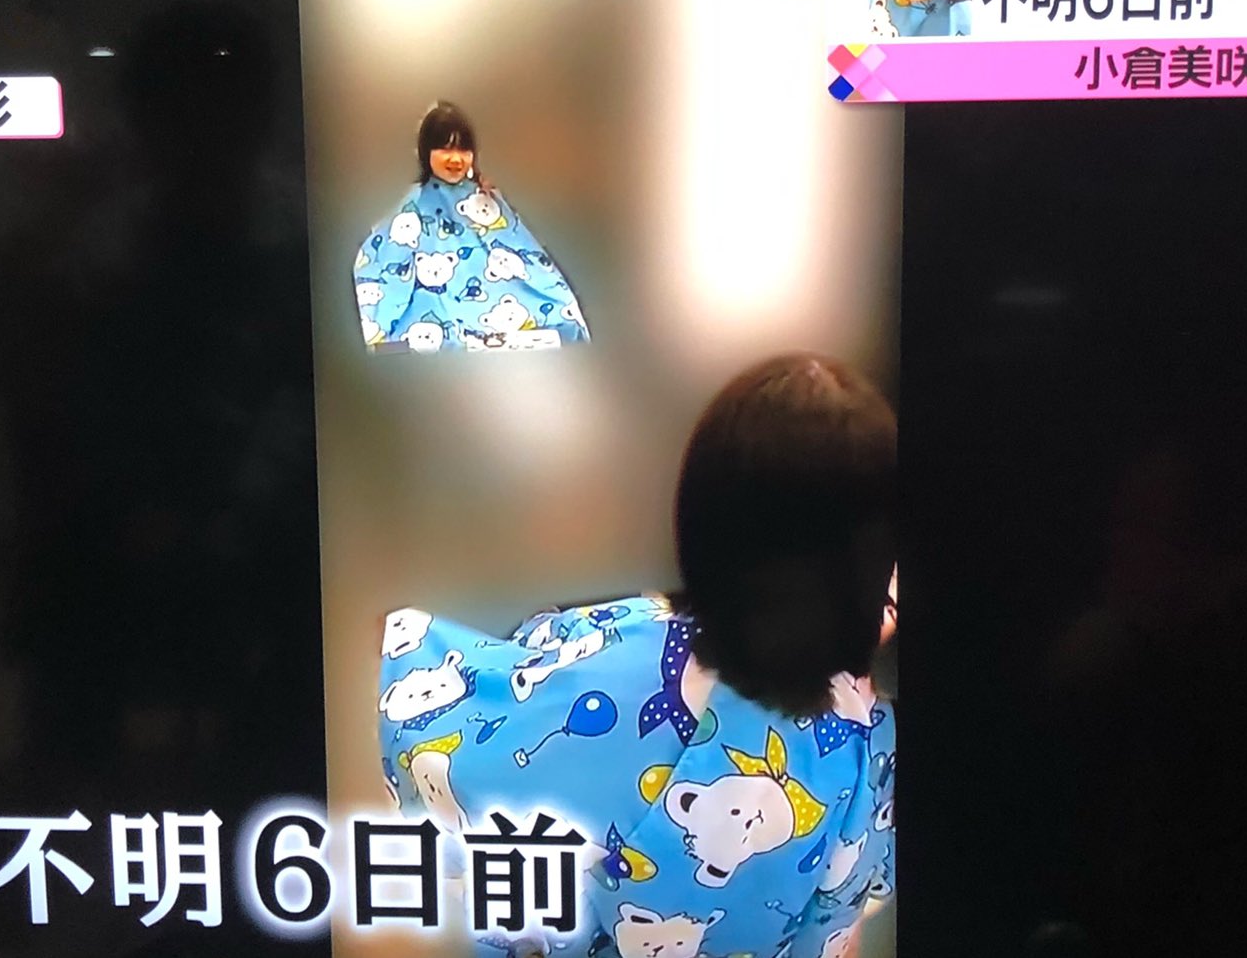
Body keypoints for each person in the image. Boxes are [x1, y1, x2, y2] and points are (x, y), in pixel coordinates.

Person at [376, 354, 898, 957]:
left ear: (701, 517)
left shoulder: (618, 655)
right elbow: (844, 921)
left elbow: (450, 749)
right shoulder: (868, 751)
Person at [355, 102, 590, 354]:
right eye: (446, 149)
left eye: (463, 149)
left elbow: (523, 254)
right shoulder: (411, 206)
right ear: (426, 151)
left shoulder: (489, 198)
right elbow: (386, 265)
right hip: (437, 303)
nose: (456, 159)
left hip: (498, 296)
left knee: (565, 316)